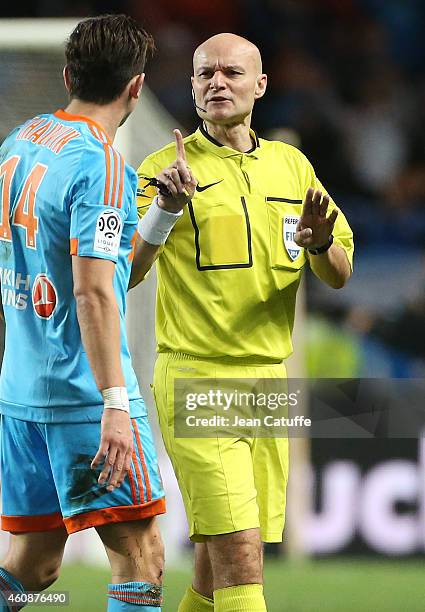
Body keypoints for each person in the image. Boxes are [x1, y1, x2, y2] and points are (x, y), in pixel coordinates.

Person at [133, 33, 354, 611]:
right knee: (241, 557)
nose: (217, 82)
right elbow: (122, 272)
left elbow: (340, 271)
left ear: (259, 86)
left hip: (268, 382)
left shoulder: (292, 165)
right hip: (197, 378)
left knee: (212, 568)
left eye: (232, 72)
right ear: (192, 87)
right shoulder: (162, 170)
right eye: (205, 73)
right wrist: (164, 210)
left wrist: (321, 244)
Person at [0, 15, 165, 612]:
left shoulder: (21, 139)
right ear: (137, 87)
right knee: (140, 559)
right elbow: (95, 293)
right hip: (83, 395)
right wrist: (114, 405)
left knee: (34, 566)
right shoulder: (102, 165)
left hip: (20, 388)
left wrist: (161, 215)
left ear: (67, 74)